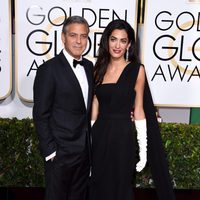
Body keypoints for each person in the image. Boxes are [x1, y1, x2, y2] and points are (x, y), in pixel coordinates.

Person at [89, 19, 175, 200]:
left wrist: (143, 149)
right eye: (113, 39)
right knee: (98, 184)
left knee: (121, 186)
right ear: (107, 41)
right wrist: (89, 140)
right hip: (100, 136)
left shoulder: (137, 70)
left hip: (123, 137)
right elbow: (95, 106)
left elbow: (139, 110)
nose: (117, 45)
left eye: (123, 40)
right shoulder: (98, 70)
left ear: (129, 44)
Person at [33, 16, 93, 200]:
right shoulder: (48, 70)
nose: (79, 41)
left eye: (83, 36)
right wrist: (51, 152)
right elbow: (40, 114)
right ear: (63, 37)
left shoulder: (90, 67)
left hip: (84, 154)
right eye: (73, 35)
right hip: (60, 155)